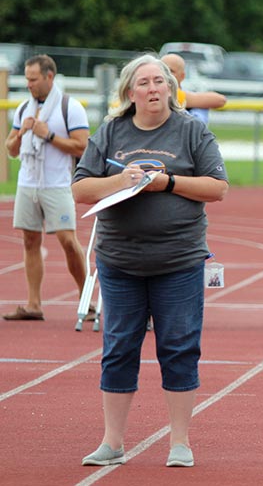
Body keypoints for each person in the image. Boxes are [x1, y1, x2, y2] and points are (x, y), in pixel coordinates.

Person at [72, 54, 228, 468]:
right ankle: (112, 442)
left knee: (178, 346)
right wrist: (120, 181)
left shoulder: (191, 131)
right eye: (144, 82)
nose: (154, 88)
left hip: (178, 261)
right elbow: (82, 189)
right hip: (119, 261)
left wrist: (167, 182)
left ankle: (180, 442)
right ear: (129, 92)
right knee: (118, 346)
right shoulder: (110, 132)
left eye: (159, 81)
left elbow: (217, 188)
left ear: (171, 88)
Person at [4, 54, 89, 321]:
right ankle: (33, 304)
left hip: (57, 184)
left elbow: (81, 146)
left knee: (67, 241)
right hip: (28, 183)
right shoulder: (23, 109)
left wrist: (49, 136)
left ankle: (86, 300)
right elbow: (11, 149)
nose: (28, 84)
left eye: (33, 79)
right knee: (30, 241)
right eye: (27, 79)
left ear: (49, 77)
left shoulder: (70, 107)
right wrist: (21, 134)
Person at [160, 53, 227, 124]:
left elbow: (221, 100)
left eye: (171, 71)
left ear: (182, 76)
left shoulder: (181, 97)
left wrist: (185, 99)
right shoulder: (154, 93)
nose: (166, 75)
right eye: (163, 70)